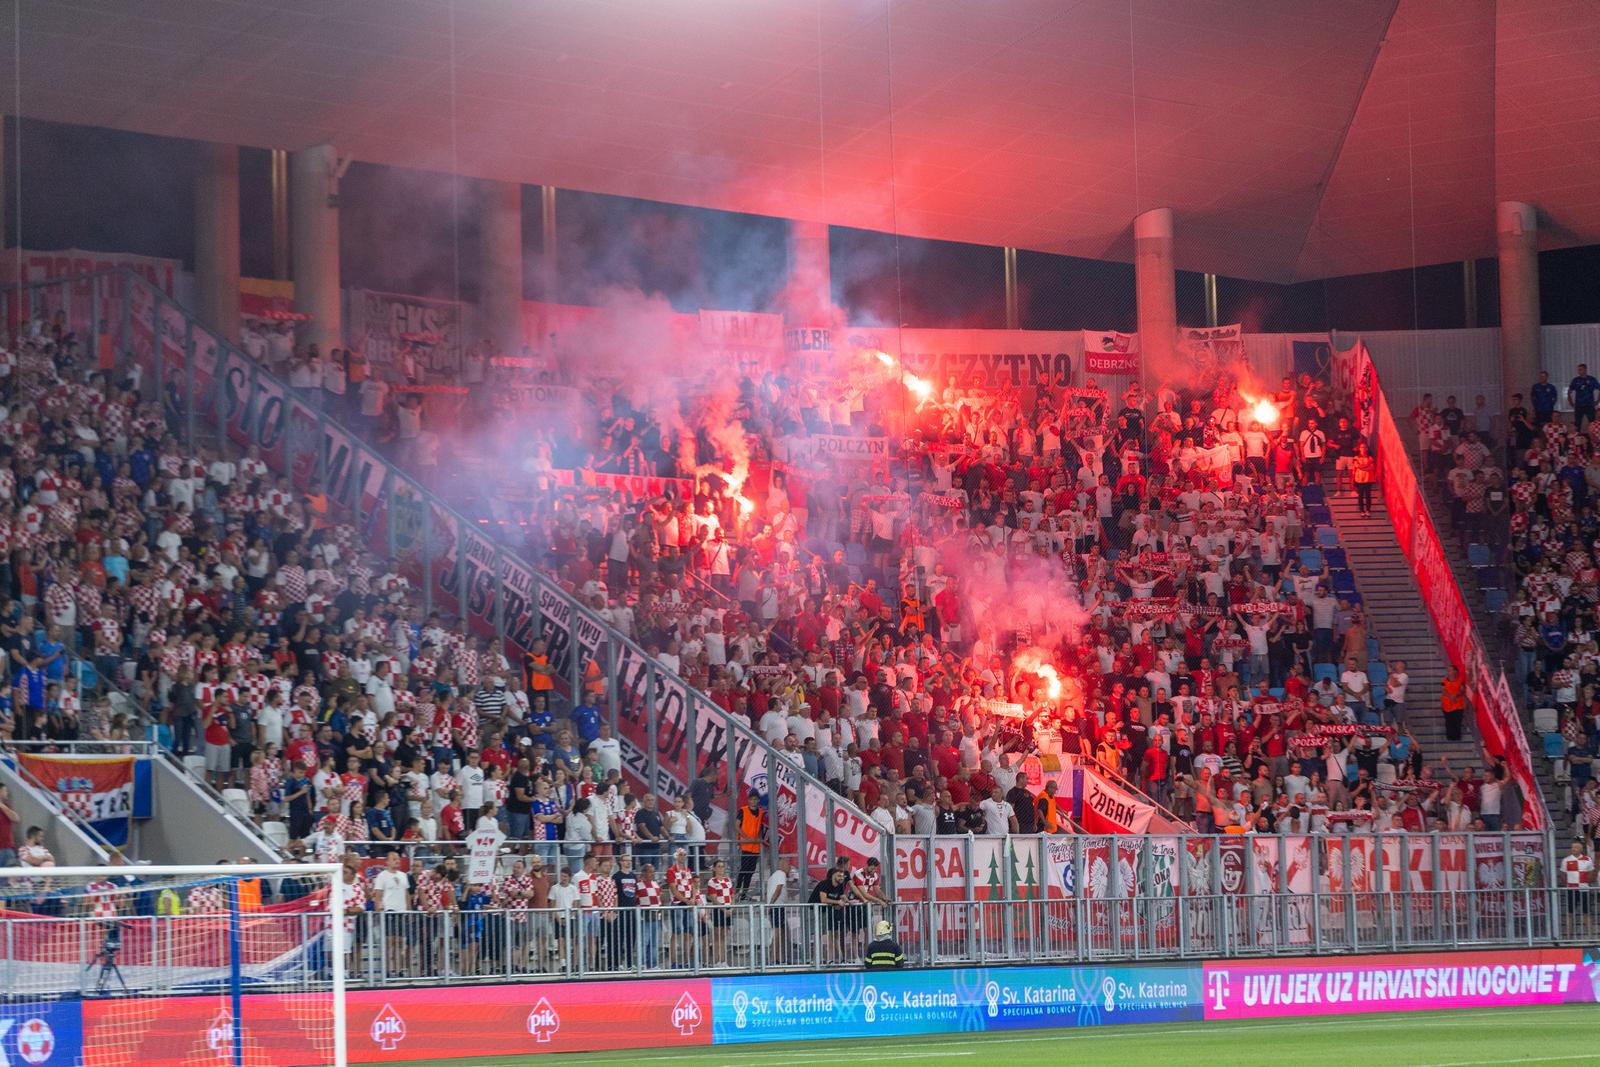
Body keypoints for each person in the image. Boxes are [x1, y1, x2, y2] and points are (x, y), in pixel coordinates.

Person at [1440, 665, 1468, 742]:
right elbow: (1443, 690)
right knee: (1449, 721)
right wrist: (1450, 697)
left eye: (1451, 670)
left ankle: (1457, 737)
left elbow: (1462, 690)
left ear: (1456, 671)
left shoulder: (1460, 680)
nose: (1450, 672)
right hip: (1447, 705)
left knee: (1457, 721)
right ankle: (1449, 737)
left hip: (1458, 705)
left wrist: (1455, 696)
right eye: (1449, 670)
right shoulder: (1444, 680)